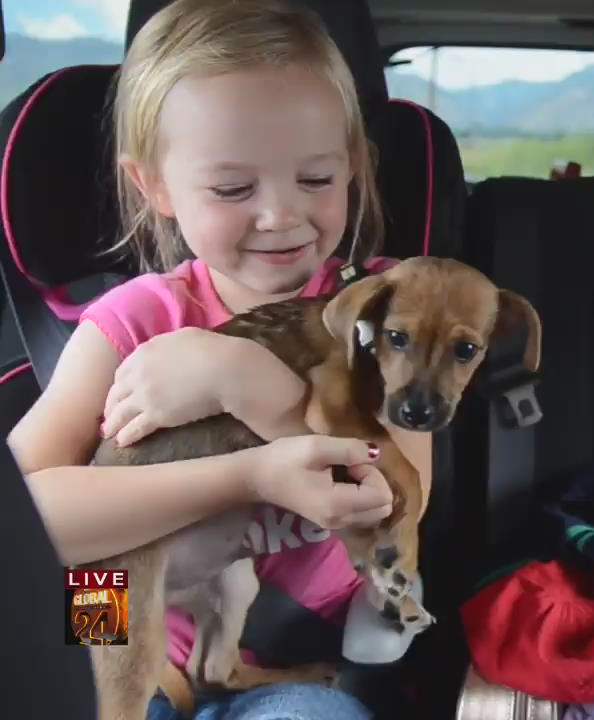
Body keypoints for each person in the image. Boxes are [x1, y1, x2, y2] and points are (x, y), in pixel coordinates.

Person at [5, 0, 432, 717]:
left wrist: (245, 384)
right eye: (234, 188)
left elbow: (395, 502)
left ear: (354, 166)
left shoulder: (390, 313)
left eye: (317, 180)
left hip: (304, 655)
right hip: (115, 632)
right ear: (157, 188)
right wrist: (245, 476)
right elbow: (23, 513)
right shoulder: (135, 321)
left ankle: (228, 671)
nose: (280, 215)